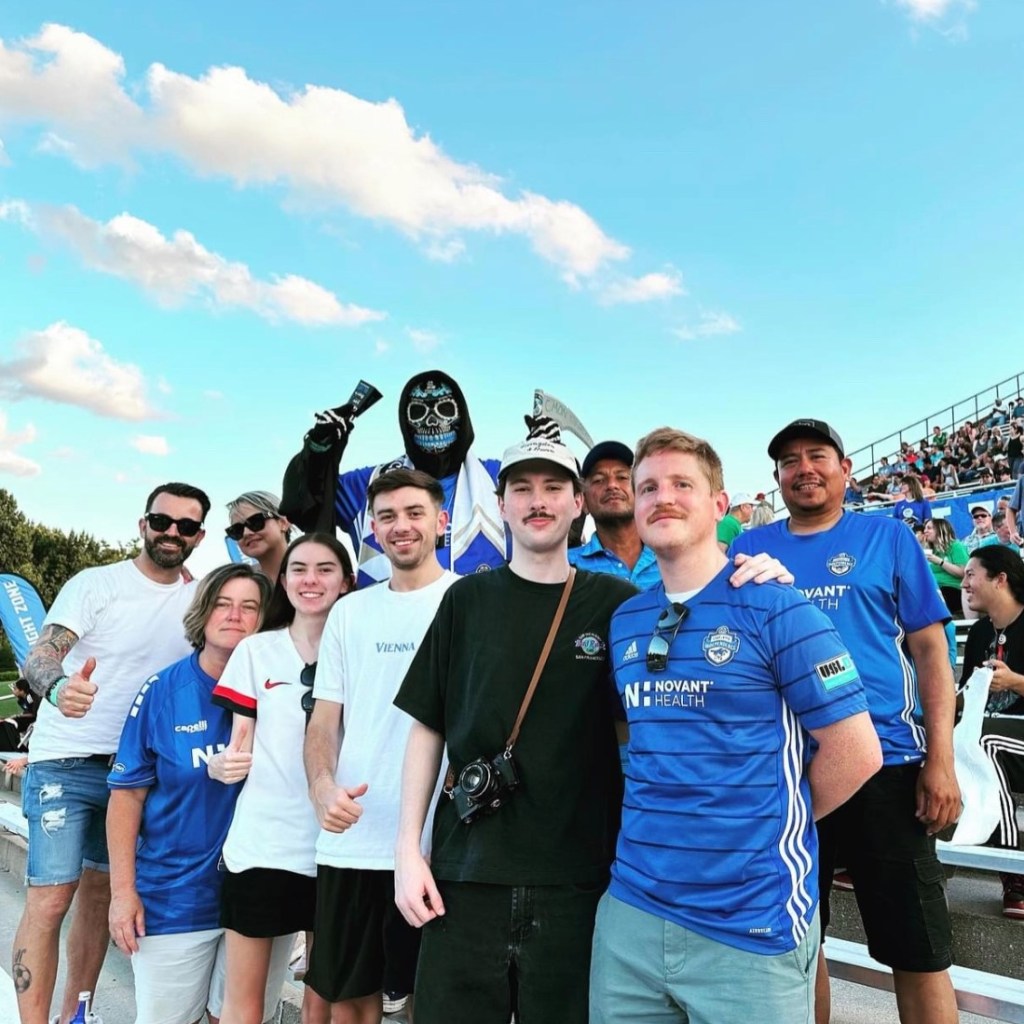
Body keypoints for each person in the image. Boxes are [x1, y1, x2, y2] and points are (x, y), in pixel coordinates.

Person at [392, 432, 792, 1023]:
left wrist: (759, 568)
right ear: (500, 505)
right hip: (466, 872)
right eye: (522, 488)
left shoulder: (620, 605)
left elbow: (693, 626)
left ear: (578, 502)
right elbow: (428, 726)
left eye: (554, 487)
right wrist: (407, 849)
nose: (538, 501)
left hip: (582, 880)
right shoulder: (465, 600)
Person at [590, 427, 881, 1024]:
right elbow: (639, 735)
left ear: (719, 505)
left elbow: (857, 751)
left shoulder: (778, 605)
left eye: (681, 484)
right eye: (647, 487)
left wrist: (762, 818)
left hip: (748, 920)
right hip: (632, 915)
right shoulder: (625, 619)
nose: (661, 497)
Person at [731, 419, 960, 1024]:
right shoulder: (750, 551)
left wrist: (941, 759)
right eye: (788, 461)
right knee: (800, 944)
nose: (803, 468)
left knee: (918, 950)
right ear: (776, 478)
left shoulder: (887, 538)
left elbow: (931, 652)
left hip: (886, 763)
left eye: (817, 455)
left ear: (845, 468)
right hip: (787, 774)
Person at [12, 483, 209, 1024]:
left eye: (186, 526)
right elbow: (42, 653)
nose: (172, 532)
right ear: (142, 524)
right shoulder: (96, 583)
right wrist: (58, 688)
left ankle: (78, 1015)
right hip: (67, 760)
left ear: (200, 537)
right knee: (51, 900)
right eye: (162, 520)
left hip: (137, 773)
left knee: (99, 901)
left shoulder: (197, 600)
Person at [302, 468, 459, 1024]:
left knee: (434, 1001)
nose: (401, 527)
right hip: (355, 837)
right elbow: (324, 719)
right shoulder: (350, 611)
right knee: (351, 1001)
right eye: (387, 516)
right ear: (370, 527)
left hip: (444, 845)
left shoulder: (470, 600)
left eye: (415, 513)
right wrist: (321, 785)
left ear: (442, 521)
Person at [106, 563, 281, 1024]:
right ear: (203, 613)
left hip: (259, 892)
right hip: (175, 897)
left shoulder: (284, 691)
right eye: (223, 604)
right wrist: (122, 894)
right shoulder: (164, 690)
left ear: (265, 619)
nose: (235, 616)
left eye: (249, 607)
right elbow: (126, 797)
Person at [207, 533, 355, 1024]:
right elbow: (238, 741)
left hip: (339, 847)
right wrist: (220, 765)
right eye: (298, 569)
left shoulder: (361, 652)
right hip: (263, 846)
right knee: (244, 1002)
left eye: (324, 569)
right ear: (283, 581)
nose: (310, 580)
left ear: (346, 580)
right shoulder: (256, 651)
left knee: (323, 999)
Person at [282, 371, 509, 585]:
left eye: (444, 409)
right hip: (385, 621)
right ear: (405, 421)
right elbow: (307, 501)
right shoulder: (370, 484)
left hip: (478, 622)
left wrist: (542, 449)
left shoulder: (499, 478)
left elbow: (541, 511)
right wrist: (320, 449)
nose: (431, 421)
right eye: (419, 412)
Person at [960, 545, 1024, 918]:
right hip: (991, 737)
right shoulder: (982, 631)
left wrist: (1016, 682)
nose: (964, 583)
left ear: (1000, 579)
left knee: (983, 745)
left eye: (971, 574)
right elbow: (968, 694)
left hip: (1012, 740)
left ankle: (1014, 871)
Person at [568, 440, 660, 589]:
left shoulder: (673, 560)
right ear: (583, 502)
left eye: (622, 477)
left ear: (642, 493)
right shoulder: (563, 566)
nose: (612, 485)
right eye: (598, 480)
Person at [225, 491, 291, 582]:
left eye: (255, 522)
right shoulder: (240, 585)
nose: (246, 533)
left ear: (283, 522)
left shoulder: (313, 567)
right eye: (237, 529)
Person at [922, 518, 968, 616]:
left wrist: (940, 562)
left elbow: (963, 572)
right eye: (925, 528)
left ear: (939, 530)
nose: (925, 531)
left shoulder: (955, 546)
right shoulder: (930, 550)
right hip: (934, 589)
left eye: (929, 528)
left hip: (953, 589)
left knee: (937, 597)